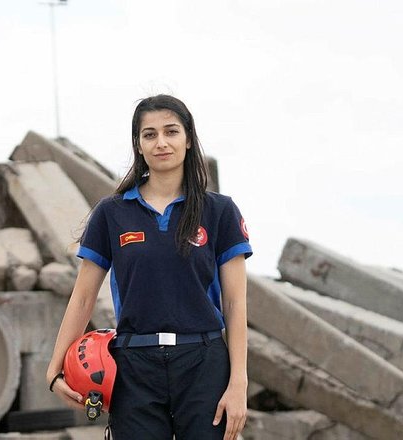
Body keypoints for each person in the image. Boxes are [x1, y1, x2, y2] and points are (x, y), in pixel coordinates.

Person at [46, 95, 252, 439]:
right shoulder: (111, 214)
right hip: (132, 367)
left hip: (203, 361)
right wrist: (55, 368)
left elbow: (234, 304)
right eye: (149, 134)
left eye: (171, 131)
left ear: (188, 139)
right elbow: (82, 299)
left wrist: (238, 383)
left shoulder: (220, 212)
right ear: (138, 146)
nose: (161, 142)